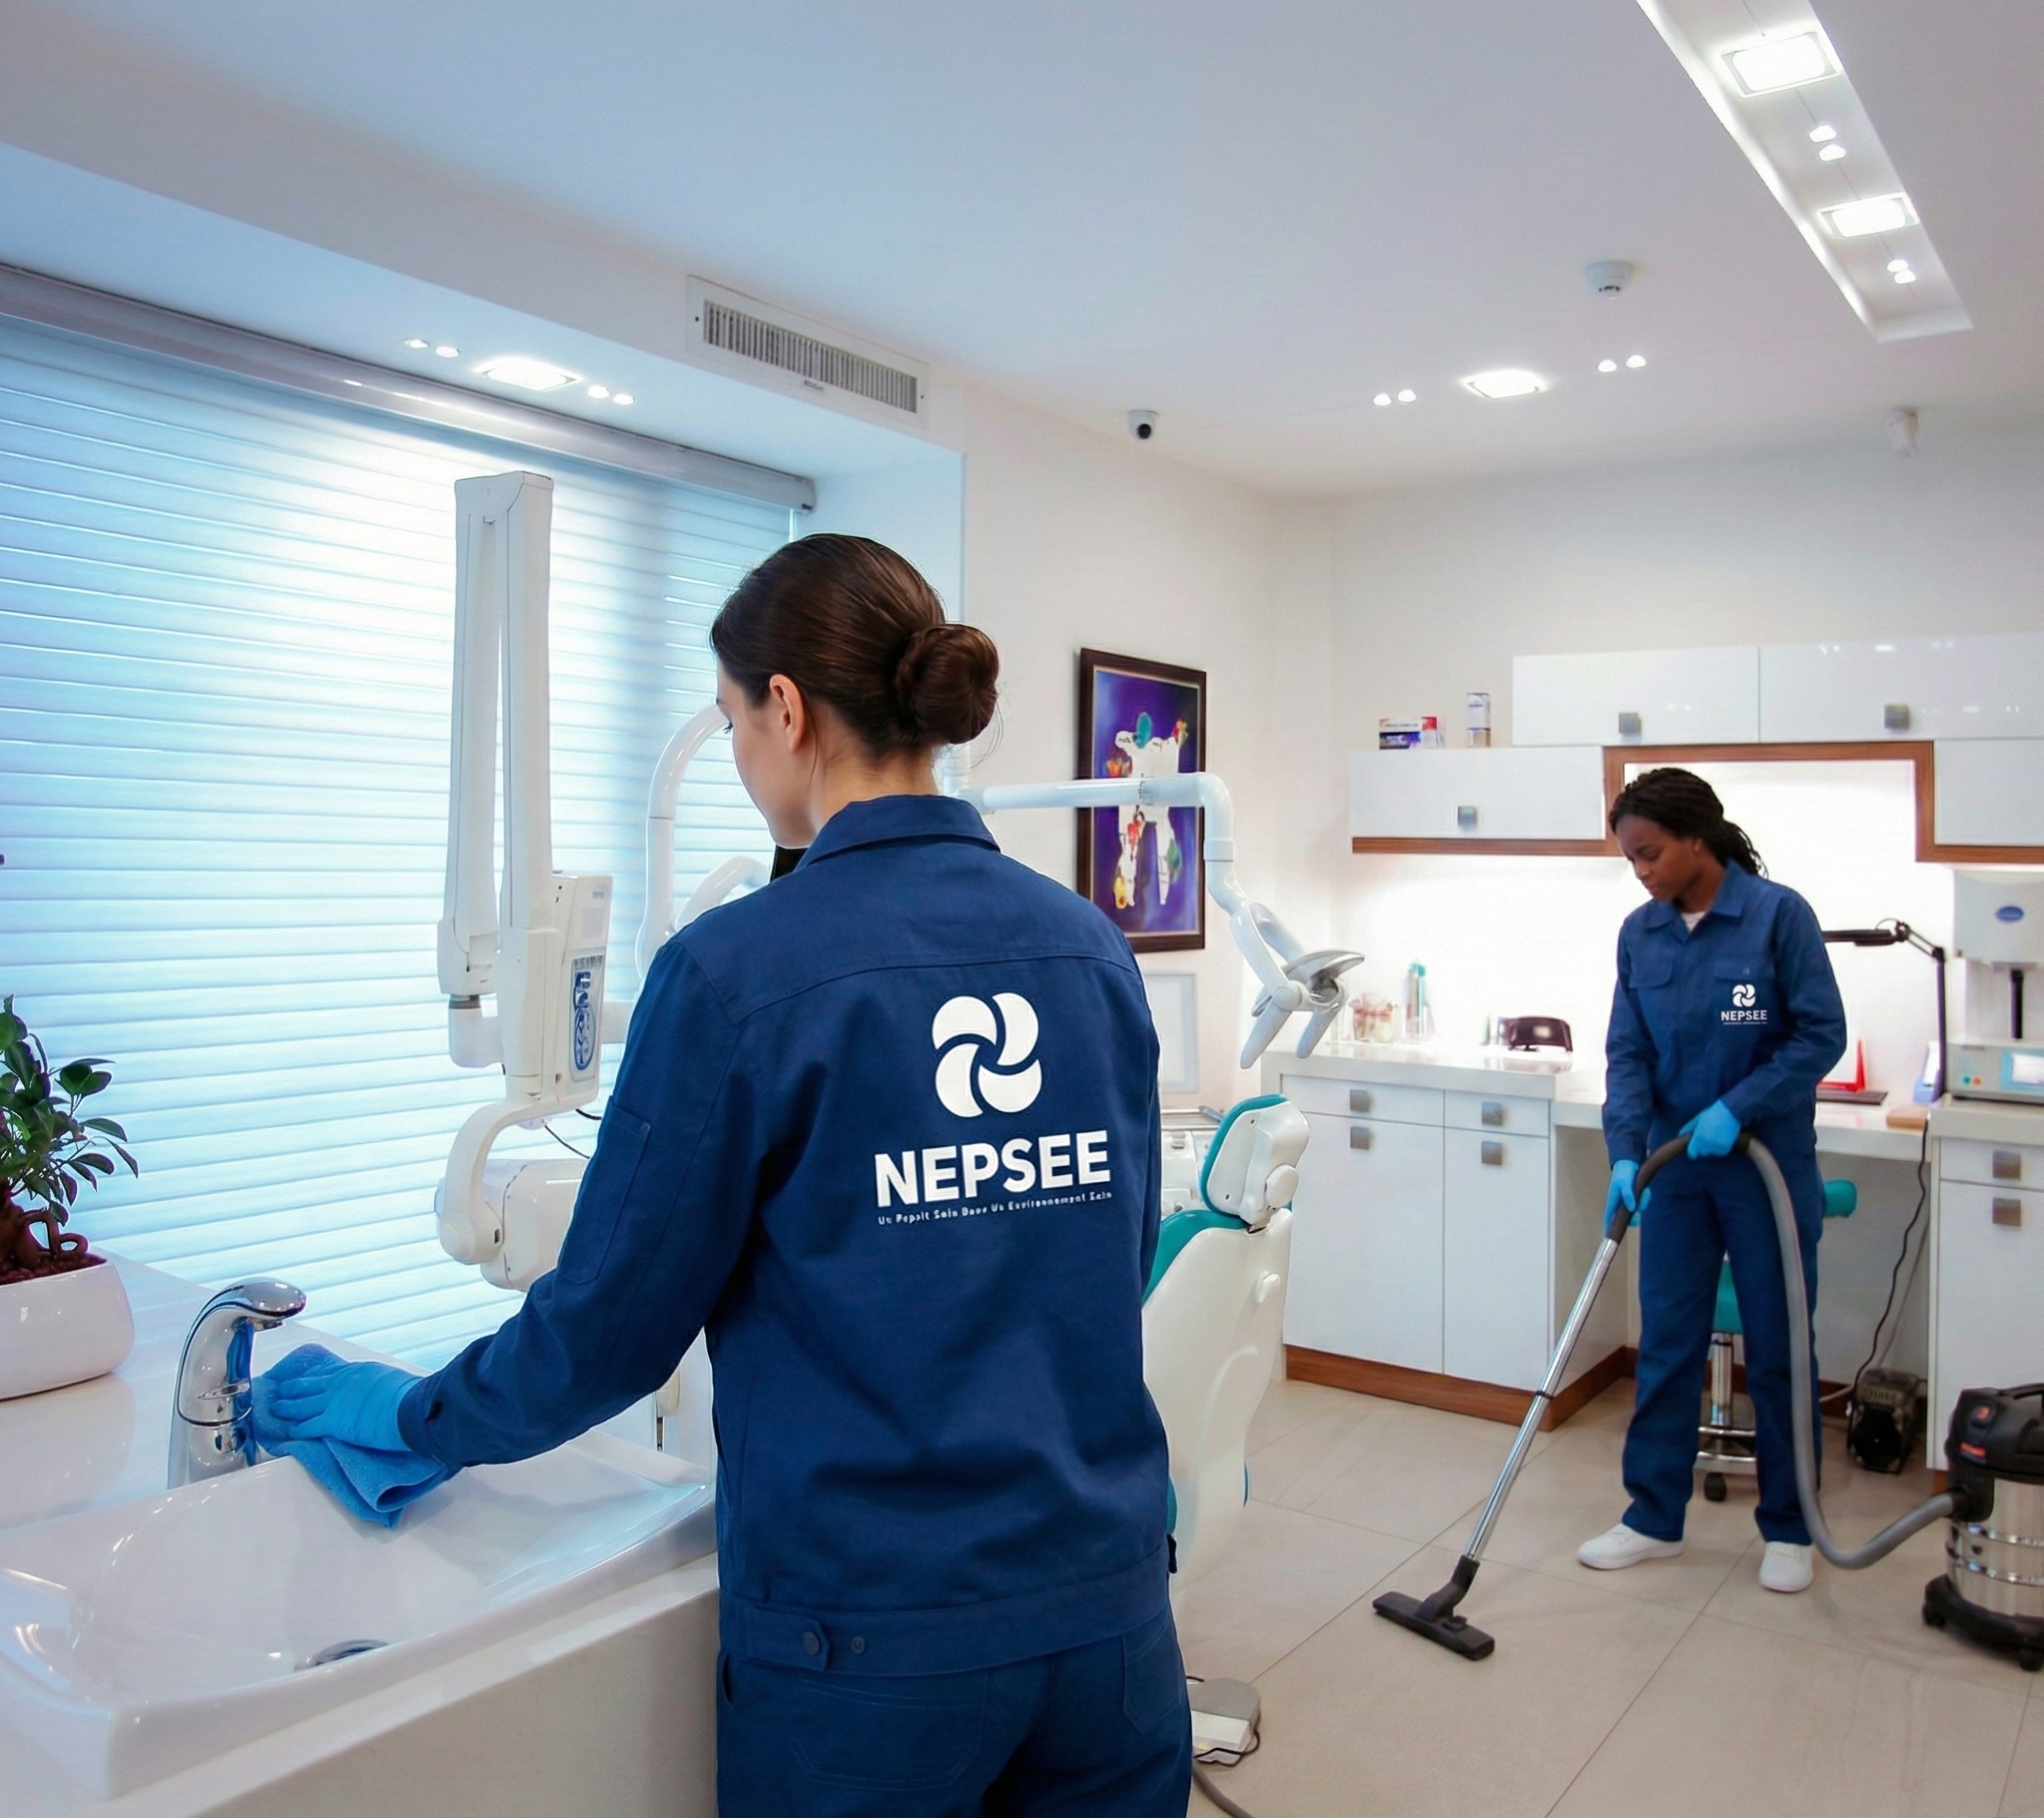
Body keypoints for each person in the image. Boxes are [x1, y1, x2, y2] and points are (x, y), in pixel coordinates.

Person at [262, 535, 1190, 1815]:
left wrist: (410, 1417)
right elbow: (1110, 1259)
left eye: (732, 718)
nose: (742, 759)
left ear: (786, 710)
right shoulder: (1088, 947)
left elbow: (606, 1335)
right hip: (1108, 1621)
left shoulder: (736, 971)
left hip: (870, 1648)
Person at [1578, 767, 1845, 1595]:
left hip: (1763, 1169)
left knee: (1778, 1348)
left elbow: (1819, 1034)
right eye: (1630, 859)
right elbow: (1627, 1052)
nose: (1641, 871)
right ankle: (1652, 1517)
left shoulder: (1776, 916)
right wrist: (1624, 1151)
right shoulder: (1640, 933)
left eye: (1650, 853)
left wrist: (1738, 1105)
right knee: (1665, 1345)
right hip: (1676, 1171)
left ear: (1697, 838)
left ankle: (1789, 1528)